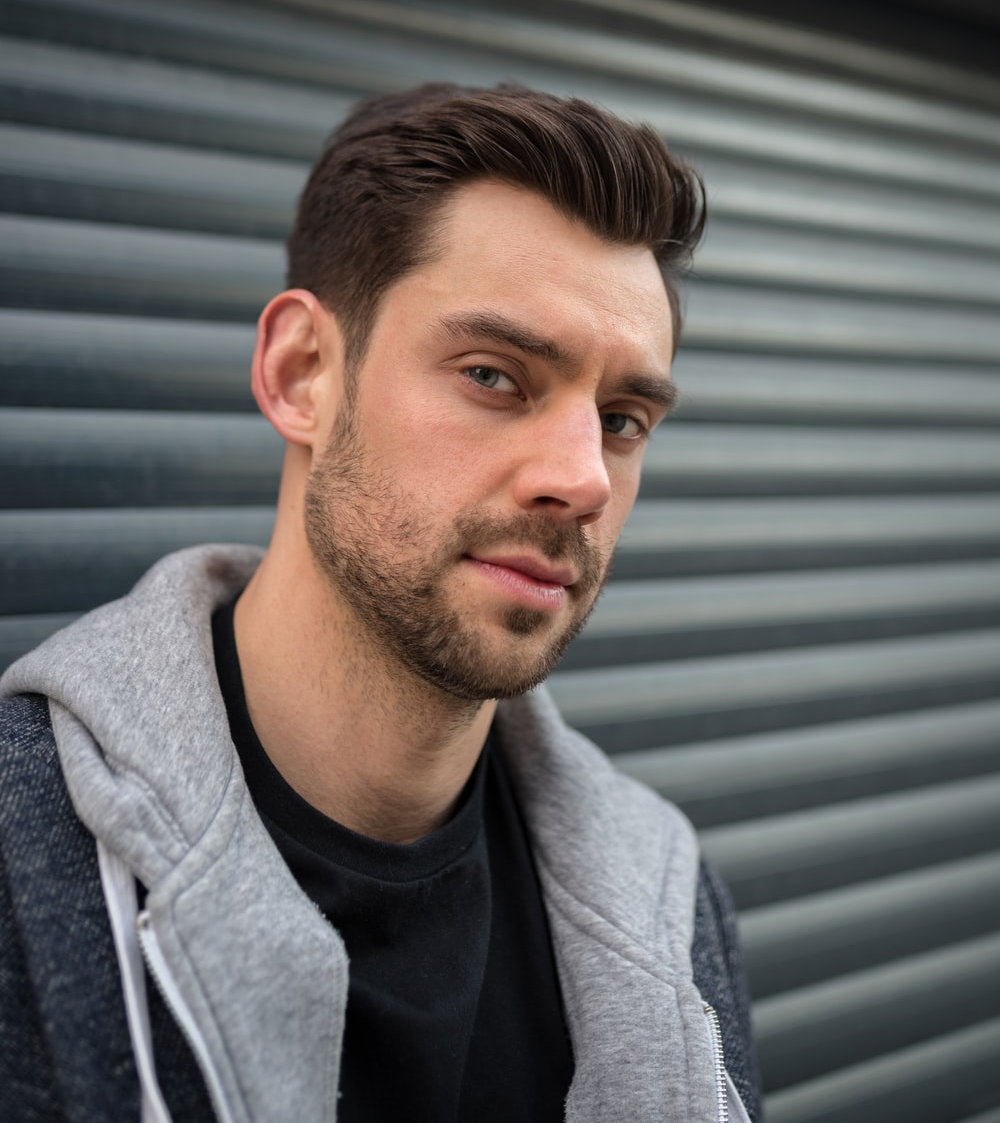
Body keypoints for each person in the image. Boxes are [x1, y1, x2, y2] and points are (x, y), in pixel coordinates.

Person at [0, 83, 760, 1122]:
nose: (584, 479)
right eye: (494, 375)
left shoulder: (668, 902)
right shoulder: (23, 862)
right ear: (301, 372)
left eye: (623, 419)